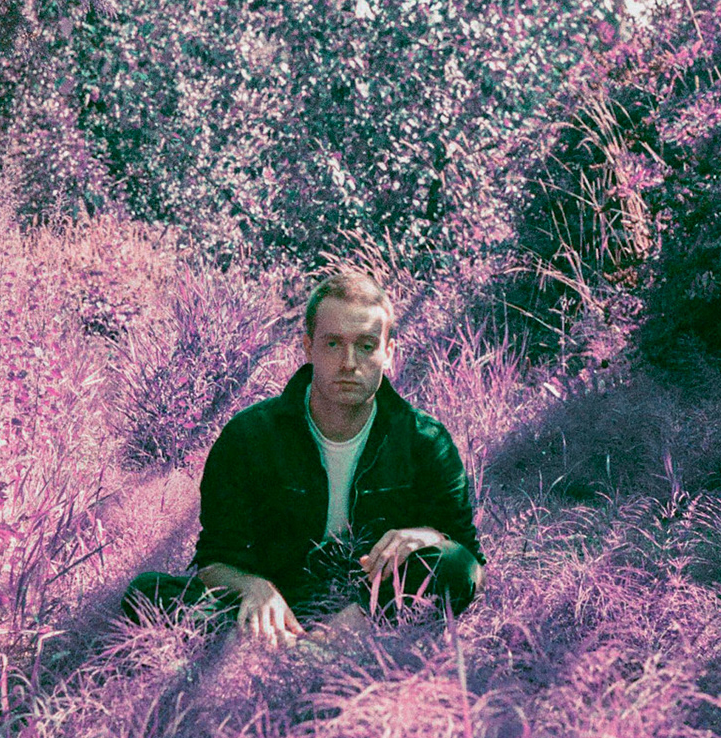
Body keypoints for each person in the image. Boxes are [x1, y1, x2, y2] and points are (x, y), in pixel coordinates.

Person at [125, 267, 484, 646]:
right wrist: (253, 587)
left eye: (366, 346)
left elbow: (472, 564)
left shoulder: (424, 440)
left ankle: (325, 646)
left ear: (388, 353)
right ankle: (288, 645)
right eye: (333, 344)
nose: (349, 362)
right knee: (147, 593)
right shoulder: (249, 436)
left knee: (456, 565)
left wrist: (427, 537)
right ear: (308, 347)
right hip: (281, 606)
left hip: (370, 606)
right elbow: (214, 561)